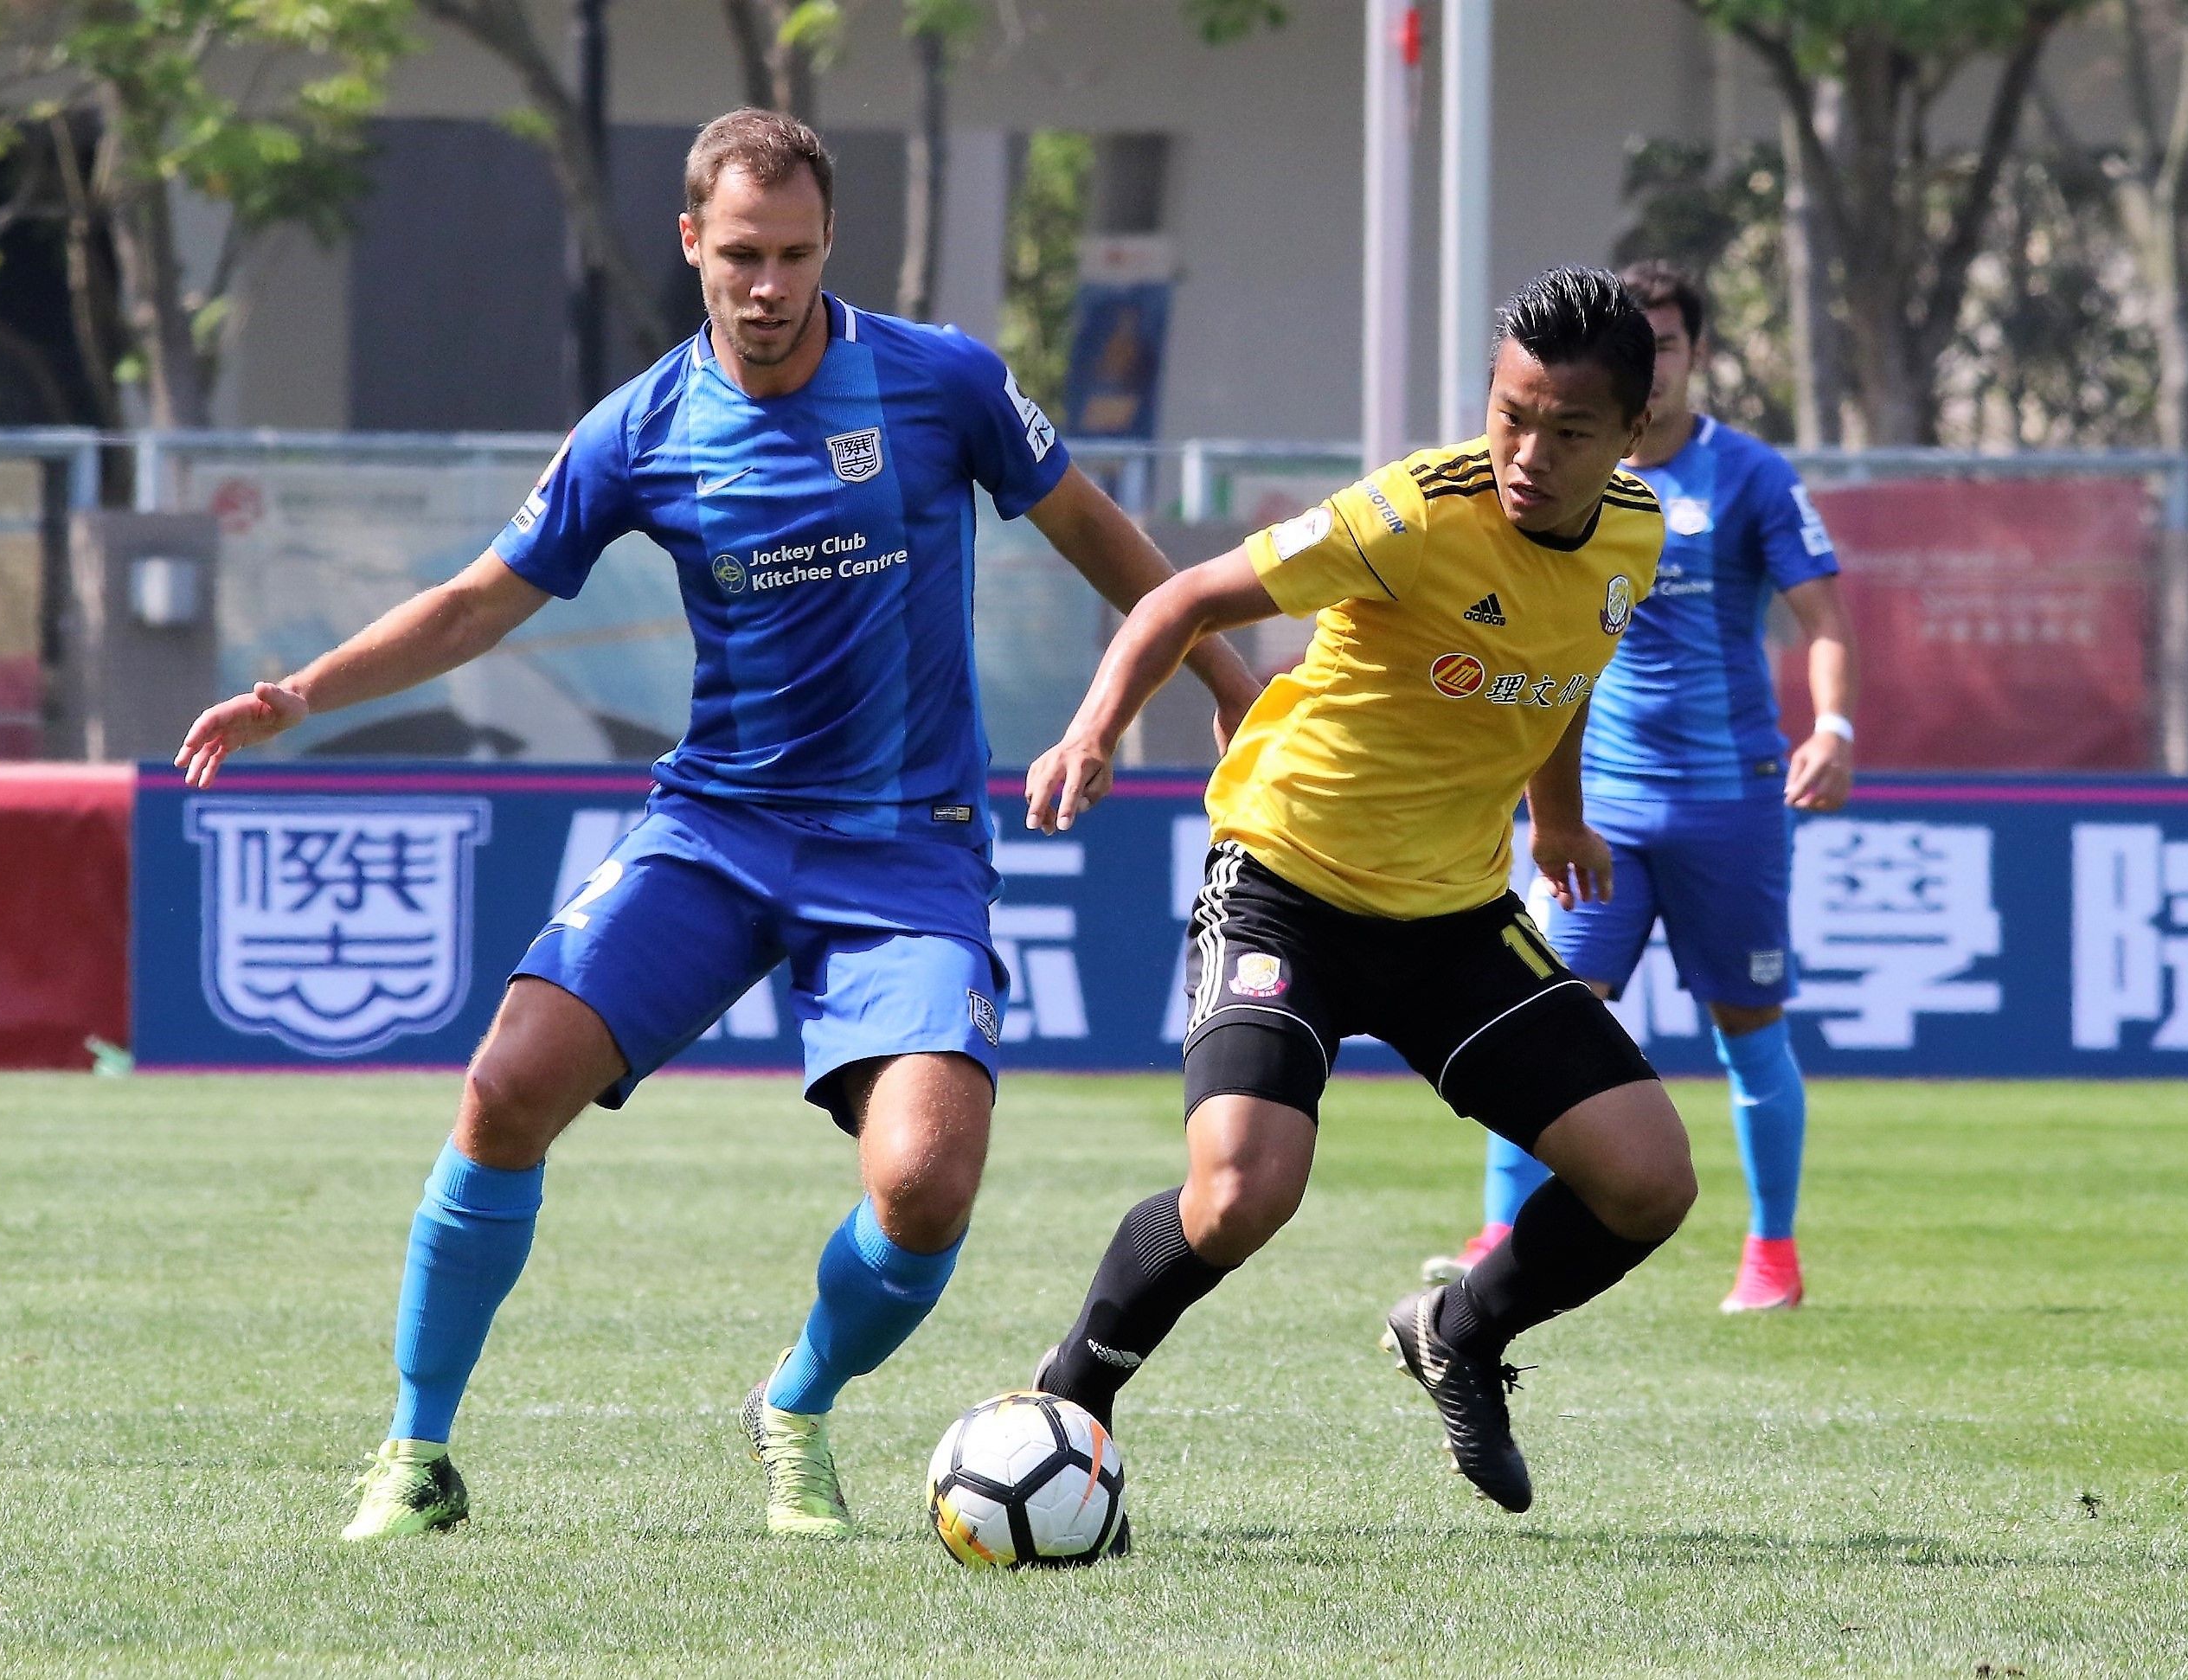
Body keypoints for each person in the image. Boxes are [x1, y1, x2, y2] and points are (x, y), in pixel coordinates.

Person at [175, 108, 1256, 1542]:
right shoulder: (642, 426)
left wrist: (1240, 693)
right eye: (740, 254)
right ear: (689, 241)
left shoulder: (939, 384)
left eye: (794, 254)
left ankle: (794, 1404)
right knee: (503, 1090)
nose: (768, 286)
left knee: (925, 1188)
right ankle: (417, 1453)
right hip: (716, 834)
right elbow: (474, 601)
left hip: (905, 851)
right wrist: (303, 693)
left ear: (828, 246)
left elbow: (1101, 537)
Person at [1020, 266, 1692, 1517]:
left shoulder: (1637, 534)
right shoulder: (1410, 514)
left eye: (1567, 430)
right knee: (1239, 1191)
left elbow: (1560, 664)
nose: (1527, 453)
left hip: (1452, 918)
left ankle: (1460, 1328)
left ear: (1632, 436)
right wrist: (1093, 730)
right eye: (1509, 415)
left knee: (1649, 1178)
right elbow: (1182, 597)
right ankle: (1066, 1401)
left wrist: (1556, 815)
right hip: (1285, 882)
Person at [1422, 260, 1856, 1314]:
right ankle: (1496, 1234)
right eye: (1638, 346)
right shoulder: (1557, 476)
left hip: (1730, 801)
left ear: (1691, 355)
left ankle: (1772, 1256)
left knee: (1749, 1024)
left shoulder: (1747, 477)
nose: (1651, 366)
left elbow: (1825, 621)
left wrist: (1833, 726)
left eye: (1664, 346)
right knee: (1539, 1015)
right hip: (1596, 801)